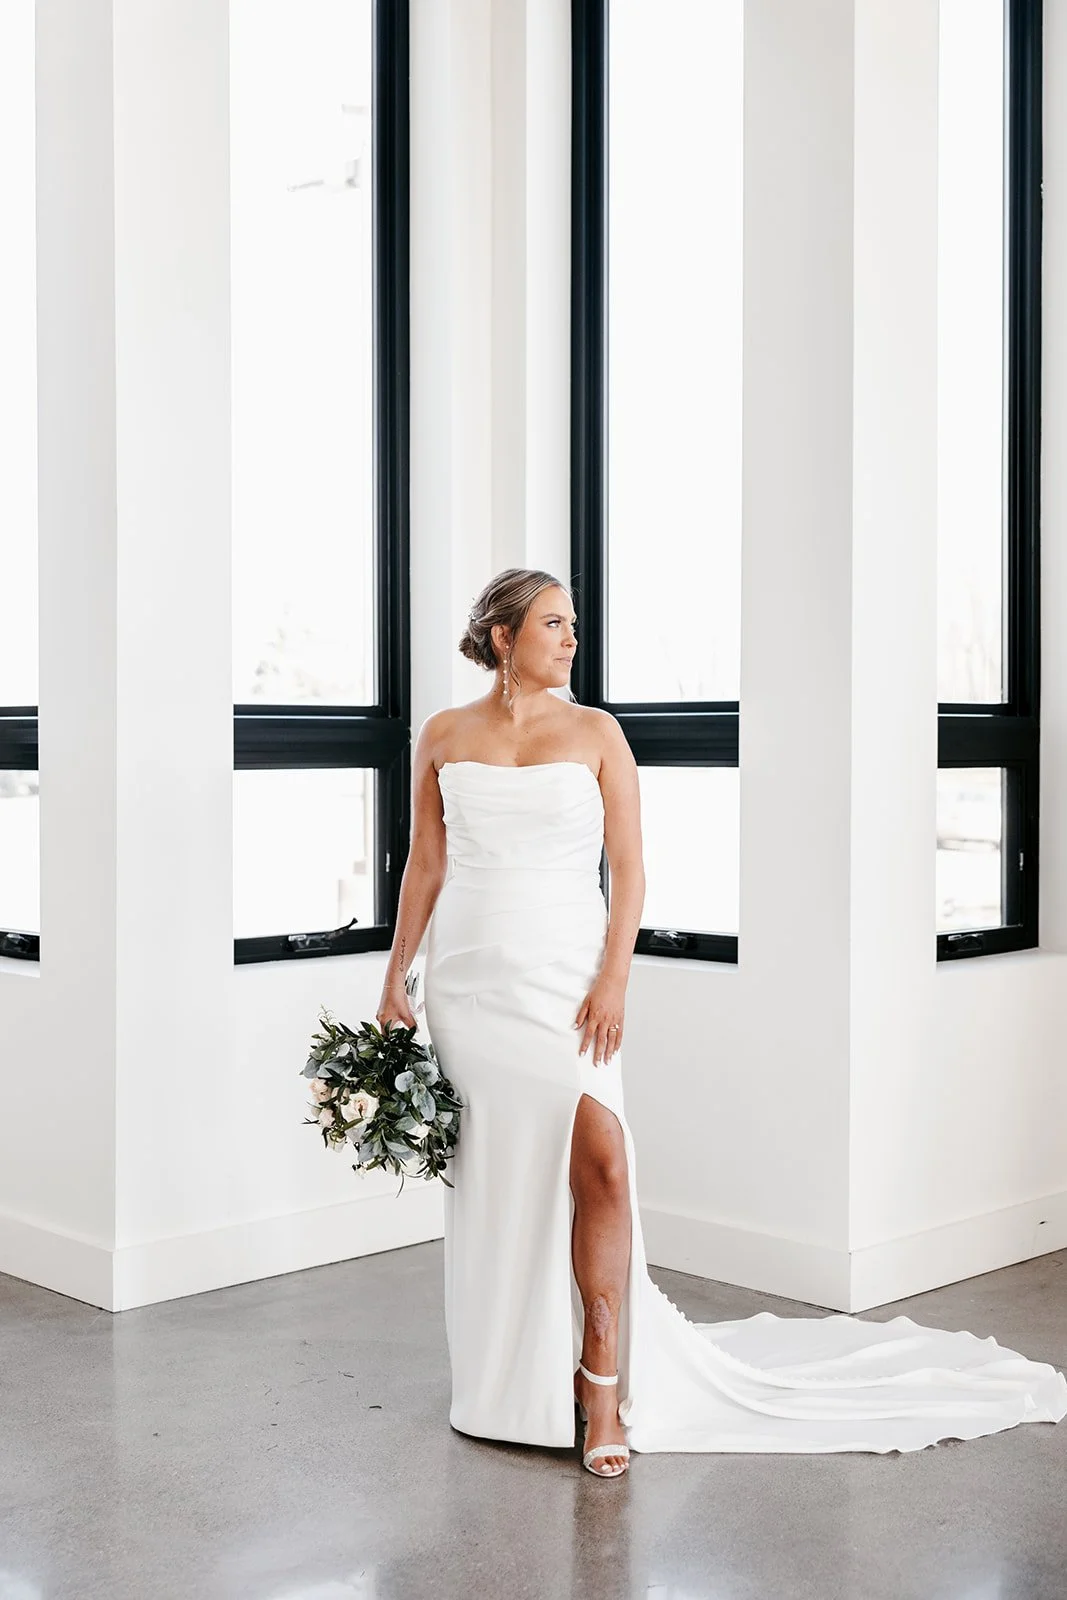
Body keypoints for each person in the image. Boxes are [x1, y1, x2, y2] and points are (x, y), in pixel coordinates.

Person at [375, 567, 1067, 1477]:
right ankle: (509, 1379)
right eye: (552, 623)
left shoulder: (596, 733)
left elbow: (630, 869)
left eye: (572, 622)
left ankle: (600, 1379)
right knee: (501, 1175)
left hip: (566, 977)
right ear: (503, 637)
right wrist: (397, 977)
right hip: (471, 981)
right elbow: (426, 864)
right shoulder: (442, 733)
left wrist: (613, 979)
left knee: (604, 1165)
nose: (572, 637)